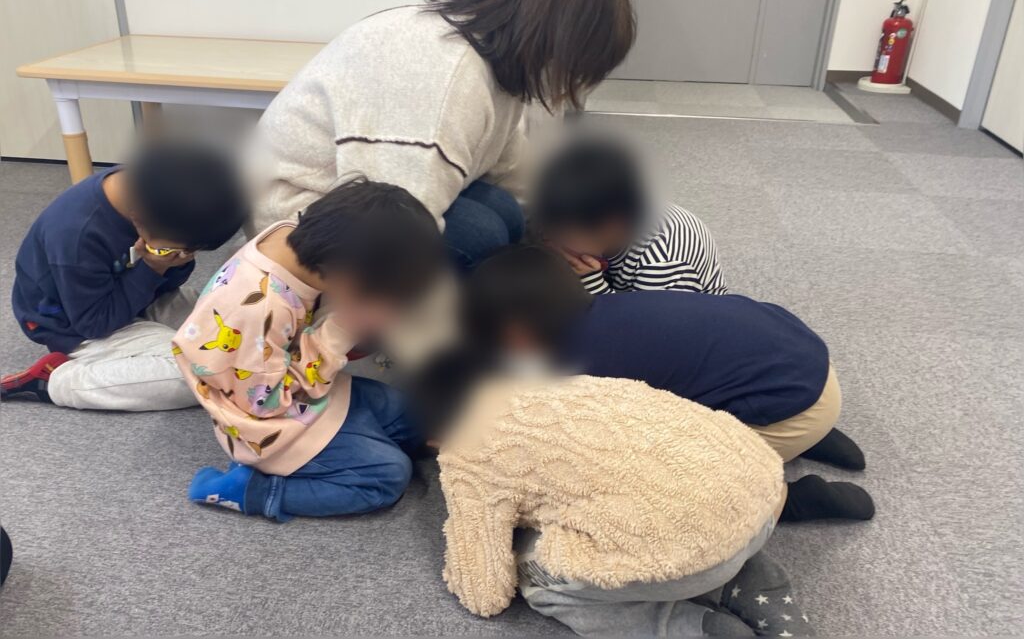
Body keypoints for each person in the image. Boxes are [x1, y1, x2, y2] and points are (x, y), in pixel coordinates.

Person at [249, 0, 635, 271]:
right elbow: (386, 237)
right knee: (481, 235)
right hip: (296, 217)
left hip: (370, 194)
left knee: (505, 215)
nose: (572, 83)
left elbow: (510, 164)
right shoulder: (444, 81)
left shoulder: (491, 51)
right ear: (553, 42)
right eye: (578, 68)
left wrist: (556, 227)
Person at [456, 245, 875, 523]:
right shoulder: (605, 307)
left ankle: (788, 498)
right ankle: (797, 430)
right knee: (698, 375)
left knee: (657, 477)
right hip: (803, 358)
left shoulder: (580, 371)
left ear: (517, 333)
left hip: (794, 406)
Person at [434, 371, 814, 637]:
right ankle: (751, 580)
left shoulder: (463, 454)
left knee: (535, 580)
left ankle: (690, 626)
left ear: (433, 438)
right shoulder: (556, 383)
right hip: (763, 490)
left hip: (695, 553)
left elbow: (484, 593)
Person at [177, 178, 444, 521]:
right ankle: (252, 490)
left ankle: (369, 442)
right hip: (267, 425)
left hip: (301, 383)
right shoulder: (258, 308)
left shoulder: (292, 237)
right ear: (349, 275)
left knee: (410, 413)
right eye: (385, 293)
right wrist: (345, 327)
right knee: (388, 476)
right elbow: (266, 404)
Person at [3, 142, 248, 410]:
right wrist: (153, 267)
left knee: (238, 322)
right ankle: (56, 380)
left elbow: (170, 285)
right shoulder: (76, 235)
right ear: (139, 220)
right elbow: (94, 324)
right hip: (76, 327)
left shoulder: (157, 191)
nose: (189, 254)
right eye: (186, 248)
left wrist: (168, 262)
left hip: (139, 298)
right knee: (198, 373)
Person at [534, 135, 728, 295]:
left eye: (568, 233)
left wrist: (591, 283)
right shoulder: (582, 210)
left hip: (674, 311)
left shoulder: (661, 262)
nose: (557, 239)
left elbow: (647, 327)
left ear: (615, 225)